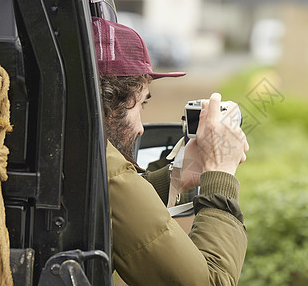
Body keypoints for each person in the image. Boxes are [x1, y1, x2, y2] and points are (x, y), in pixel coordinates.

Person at [91, 16, 249, 285]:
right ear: (111, 107)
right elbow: (212, 281)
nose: (141, 128)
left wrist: (174, 177)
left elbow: (110, 209)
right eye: (141, 105)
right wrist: (221, 176)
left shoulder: (83, 158)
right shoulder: (106, 170)